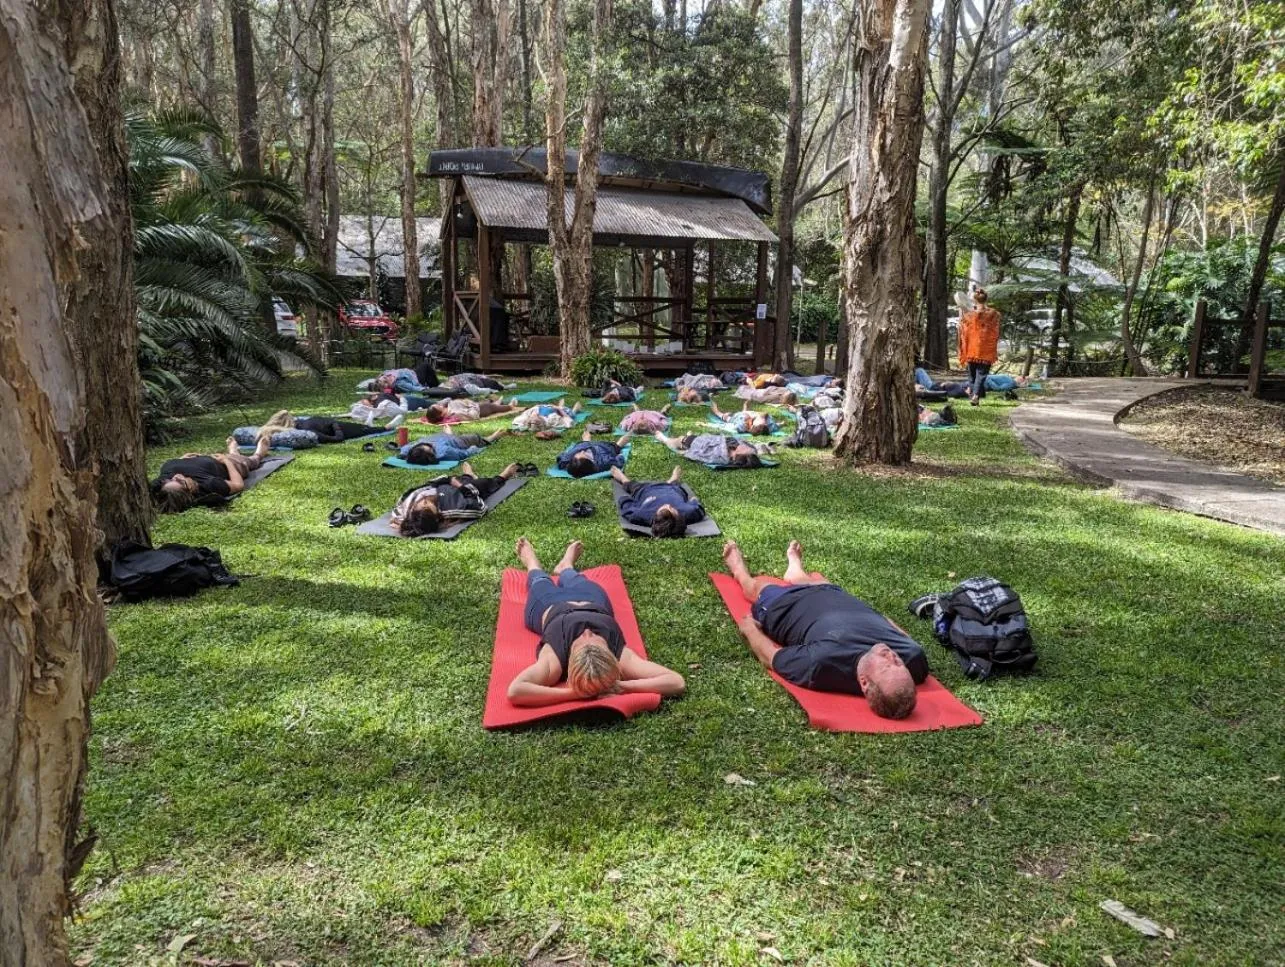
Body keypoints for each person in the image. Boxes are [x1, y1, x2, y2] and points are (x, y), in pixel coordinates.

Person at [720, 540, 929, 719]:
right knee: (814, 581)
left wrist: (749, 630)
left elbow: (772, 657)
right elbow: (902, 635)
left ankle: (739, 570)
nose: (891, 656)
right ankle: (795, 569)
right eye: (898, 664)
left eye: (885, 667)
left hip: (786, 605)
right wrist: (880, 619)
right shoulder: (914, 659)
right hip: (833, 594)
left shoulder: (821, 664)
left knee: (756, 587)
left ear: (864, 682)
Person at [507, 538, 686, 705]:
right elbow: (676, 681)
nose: (587, 633)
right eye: (595, 641)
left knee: (539, 581)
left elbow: (516, 691)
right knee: (577, 579)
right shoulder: (621, 657)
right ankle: (566, 567)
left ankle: (533, 563)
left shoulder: (554, 661)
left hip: (548, 602)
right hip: (593, 600)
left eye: (583, 644)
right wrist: (623, 687)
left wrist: (573, 694)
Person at [390, 461, 520, 536]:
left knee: (460, 479)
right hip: (460, 491)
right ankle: (502, 476)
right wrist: (461, 487)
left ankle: (467, 475)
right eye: (428, 506)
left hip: (440, 483)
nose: (424, 501)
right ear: (438, 515)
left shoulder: (407, 510)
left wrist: (446, 479)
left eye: (421, 504)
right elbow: (480, 508)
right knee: (480, 484)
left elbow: (400, 506)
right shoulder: (453, 508)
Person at [151, 435, 272, 513]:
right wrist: (226, 461)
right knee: (248, 462)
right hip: (228, 464)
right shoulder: (209, 484)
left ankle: (234, 452)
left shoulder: (161, 481)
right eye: (179, 481)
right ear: (190, 489)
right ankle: (259, 453)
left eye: (169, 480)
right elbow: (238, 484)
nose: (176, 476)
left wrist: (181, 459)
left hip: (204, 458)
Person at [611, 465, 705, 538]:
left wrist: (624, 499)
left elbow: (627, 507)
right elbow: (697, 508)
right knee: (675, 485)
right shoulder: (687, 513)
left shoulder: (641, 515)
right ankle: (673, 479)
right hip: (672, 488)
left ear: (656, 516)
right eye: (672, 508)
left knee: (630, 484)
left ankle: (623, 478)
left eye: (664, 509)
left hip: (644, 489)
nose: (668, 505)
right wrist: (694, 500)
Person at [957, 287, 1001, 406]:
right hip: (986, 350)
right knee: (981, 374)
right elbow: (996, 332)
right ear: (986, 299)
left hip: (971, 349)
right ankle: (976, 395)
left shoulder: (969, 316)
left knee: (972, 375)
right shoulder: (994, 314)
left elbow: (963, 330)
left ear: (975, 301)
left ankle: (974, 395)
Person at [255, 409, 387, 444]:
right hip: (342, 428)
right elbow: (335, 439)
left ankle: (368, 425)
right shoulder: (306, 430)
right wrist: (338, 431)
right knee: (371, 430)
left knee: (366, 428)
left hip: (337, 424)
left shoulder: (302, 424)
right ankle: (384, 427)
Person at [654, 430, 771, 469]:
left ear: (737, 455)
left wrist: (684, 453)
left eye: (745, 449)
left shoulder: (720, 456)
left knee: (675, 441)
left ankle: (664, 439)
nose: (746, 447)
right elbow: (752, 448)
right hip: (704, 438)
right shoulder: (739, 446)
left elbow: (701, 455)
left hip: (690, 443)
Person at [400, 427, 507, 465]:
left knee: (447, 436)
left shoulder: (407, 450)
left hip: (440, 436)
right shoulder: (446, 452)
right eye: (431, 448)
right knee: (476, 437)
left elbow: (403, 450)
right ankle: (491, 438)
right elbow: (466, 453)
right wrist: (477, 448)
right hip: (458, 441)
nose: (431, 445)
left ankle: (449, 433)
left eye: (425, 445)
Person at [555, 430, 632, 478]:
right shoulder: (604, 463)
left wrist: (585, 442)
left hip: (585, 445)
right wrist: (620, 450)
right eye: (585, 455)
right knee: (623, 440)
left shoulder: (569, 459)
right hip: (605, 447)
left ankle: (586, 441)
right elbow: (619, 461)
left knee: (580, 447)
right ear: (590, 462)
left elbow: (561, 459)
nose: (582, 452)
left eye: (579, 454)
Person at [422, 397, 522, 424]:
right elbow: (473, 416)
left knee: (488, 403)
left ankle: (497, 403)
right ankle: (510, 406)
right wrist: (471, 404)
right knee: (491, 407)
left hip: (473, 405)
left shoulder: (448, 408)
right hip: (479, 410)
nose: (440, 405)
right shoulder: (455, 414)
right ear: (441, 413)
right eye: (439, 407)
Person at [710, 400, 780, 436]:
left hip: (739, 417)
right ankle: (745, 408)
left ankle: (715, 408)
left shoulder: (741, 425)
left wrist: (720, 414)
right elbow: (775, 424)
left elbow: (728, 424)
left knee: (721, 415)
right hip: (748, 416)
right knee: (745, 414)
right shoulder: (769, 425)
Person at [512, 400, 582, 432]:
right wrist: (559, 409)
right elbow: (568, 421)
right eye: (535, 421)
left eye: (531, 421)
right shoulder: (552, 419)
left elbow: (517, 420)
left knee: (556, 407)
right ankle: (574, 410)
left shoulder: (525, 419)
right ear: (540, 423)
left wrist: (535, 409)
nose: (533, 419)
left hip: (544, 407)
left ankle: (560, 405)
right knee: (570, 413)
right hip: (558, 412)